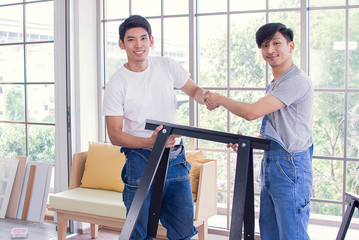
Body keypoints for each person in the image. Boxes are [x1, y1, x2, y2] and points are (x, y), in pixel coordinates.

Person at [103, 15, 211, 240]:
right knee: (139, 232)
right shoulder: (117, 83)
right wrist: (149, 142)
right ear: (122, 44)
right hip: (140, 160)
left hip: (175, 159)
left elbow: (194, 91)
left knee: (183, 232)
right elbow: (114, 134)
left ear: (151, 40)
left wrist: (208, 98)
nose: (138, 45)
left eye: (143, 38)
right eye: (131, 40)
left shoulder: (167, 65)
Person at [206, 23, 314, 240]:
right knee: (269, 233)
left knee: (291, 234)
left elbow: (252, 112)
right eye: (265, 45)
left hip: (290, 167)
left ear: (290, 46)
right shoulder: (276, 84)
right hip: (273, 164)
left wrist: (219, 99)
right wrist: (249, 141)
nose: (270, 50)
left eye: (276, 43)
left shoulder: (295, 81)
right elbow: (276, 132)